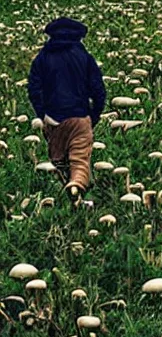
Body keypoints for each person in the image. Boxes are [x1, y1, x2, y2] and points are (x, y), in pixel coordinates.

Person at [28, 17, 106, 206]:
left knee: (58, 158)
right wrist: (93, 115)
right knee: (79, 157)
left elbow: (34, 89)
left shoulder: (42, 58)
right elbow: (98, 90)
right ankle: (76, 186)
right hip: (79, 115)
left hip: (54, 117)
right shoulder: (84, 57)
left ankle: (63, 191)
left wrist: (43, 114)